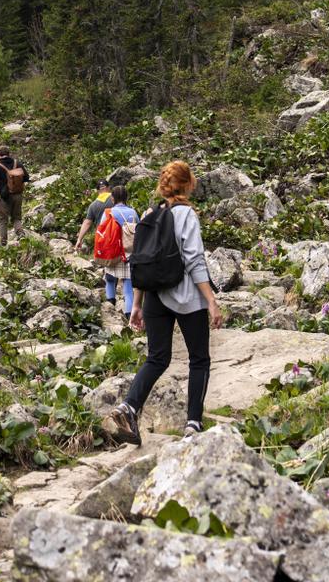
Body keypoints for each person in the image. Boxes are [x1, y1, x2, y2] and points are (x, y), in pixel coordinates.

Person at [107, 161, 224, 445]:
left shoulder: (150, 213)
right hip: (186, 297)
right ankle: (193, 423)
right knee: (199, 359)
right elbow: (194, 260)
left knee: (157, 358)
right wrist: (211, 300)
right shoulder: (187, 215)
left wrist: (136, 304)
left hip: (155, 297)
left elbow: (142, 261)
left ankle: (129, 407)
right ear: (187, 185)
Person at [96, 185, 139, 322]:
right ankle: (129, 317)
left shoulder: (108, 212)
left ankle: (111, 306)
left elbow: (101, 231)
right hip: (128, 253)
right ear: (126, 198)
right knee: (128, 285)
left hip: (113, 252)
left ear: (112, 198)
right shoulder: (133, 213)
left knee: (109, 279)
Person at [0, 146, 30, 246]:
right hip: (18, 195)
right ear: (9, 153)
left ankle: (3, 242)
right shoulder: (17, 163)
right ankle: (21, 235)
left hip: (5, 197)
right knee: (17, 217)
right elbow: (26, 177)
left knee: (3, 219)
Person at [74, 180, 114, 252]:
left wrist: (79, 239)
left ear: (98, 191)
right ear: (108, 188)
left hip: (102, 237)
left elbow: (87, 223)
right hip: (116, 235)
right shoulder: (116, 199)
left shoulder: (93, 205)